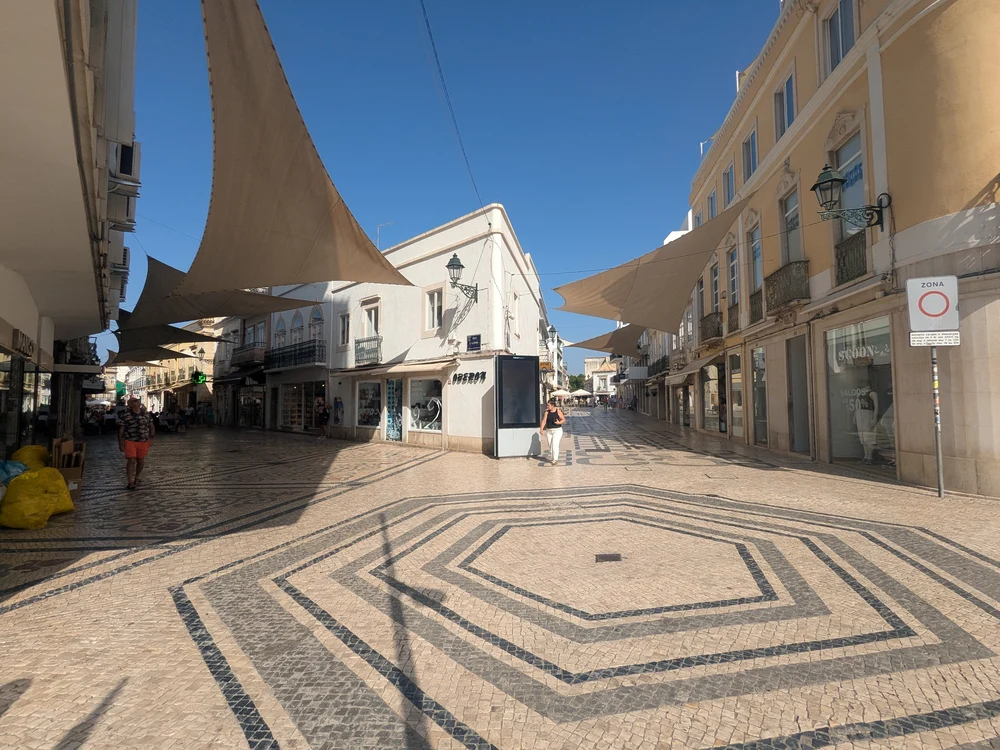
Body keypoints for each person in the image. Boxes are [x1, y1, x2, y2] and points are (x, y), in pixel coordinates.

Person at [119, 396, 154, 491]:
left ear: (139, 403)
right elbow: (121, 430)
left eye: (136, 401)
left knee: (141, 460)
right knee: (131, 460)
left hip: (143, 440)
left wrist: (151, 437)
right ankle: (130, 481)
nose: (135, 402)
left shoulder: (146, 414)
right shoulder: (126, 415)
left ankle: (137, 477)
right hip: (130, 440)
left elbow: (151, 426)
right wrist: (120, 443)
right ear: (130, 405)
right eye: (133, 401)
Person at [539, 398, 566, 465]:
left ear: (553, 405)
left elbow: (563, 419)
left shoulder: (558, 411)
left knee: (555, 444)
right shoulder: (546, 412)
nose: (547, 406)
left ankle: (555, 459)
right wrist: (541, 429)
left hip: (557, 430)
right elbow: (544, 421)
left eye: (548, 405)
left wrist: (558, 422)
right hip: (549, 431)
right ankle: (553, 457)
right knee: (550, 445)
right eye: (547, 405)